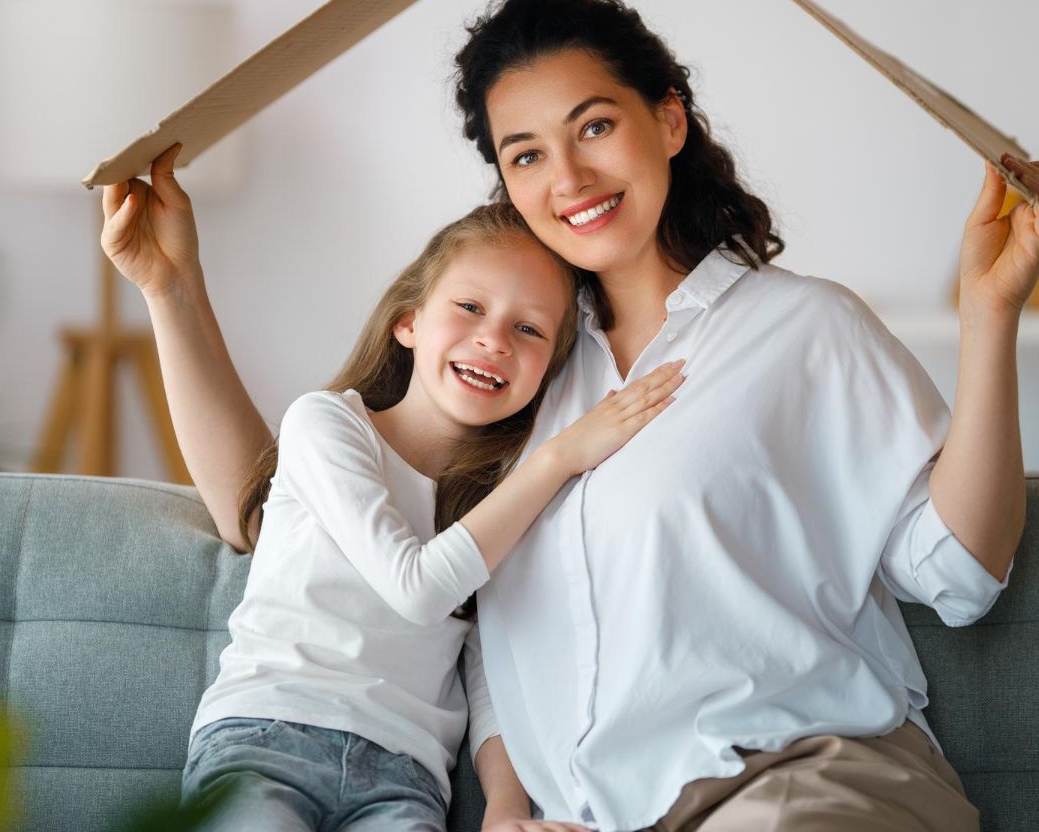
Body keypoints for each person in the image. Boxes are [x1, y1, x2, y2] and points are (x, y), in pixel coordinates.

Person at [102, 0, 1039, 831]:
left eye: (595, 126)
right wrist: (170, 290)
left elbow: (962, 575)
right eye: (526, 154)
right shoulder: (519, 376)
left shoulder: (804, 329)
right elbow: (273, 511)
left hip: (800, 783)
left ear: (669, 122)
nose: (567, 178)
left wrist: (989, 319)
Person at [108, 196, 684, 831]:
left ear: (547, 371)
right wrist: (561, 458)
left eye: (530, 329)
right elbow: (418, 588)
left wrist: (505, 809)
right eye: (470, 307)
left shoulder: (499, 508)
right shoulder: (327, 424)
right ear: (409, 322)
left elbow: (492, 674)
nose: (494, 338)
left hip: (404, 777)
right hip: (267, 740)